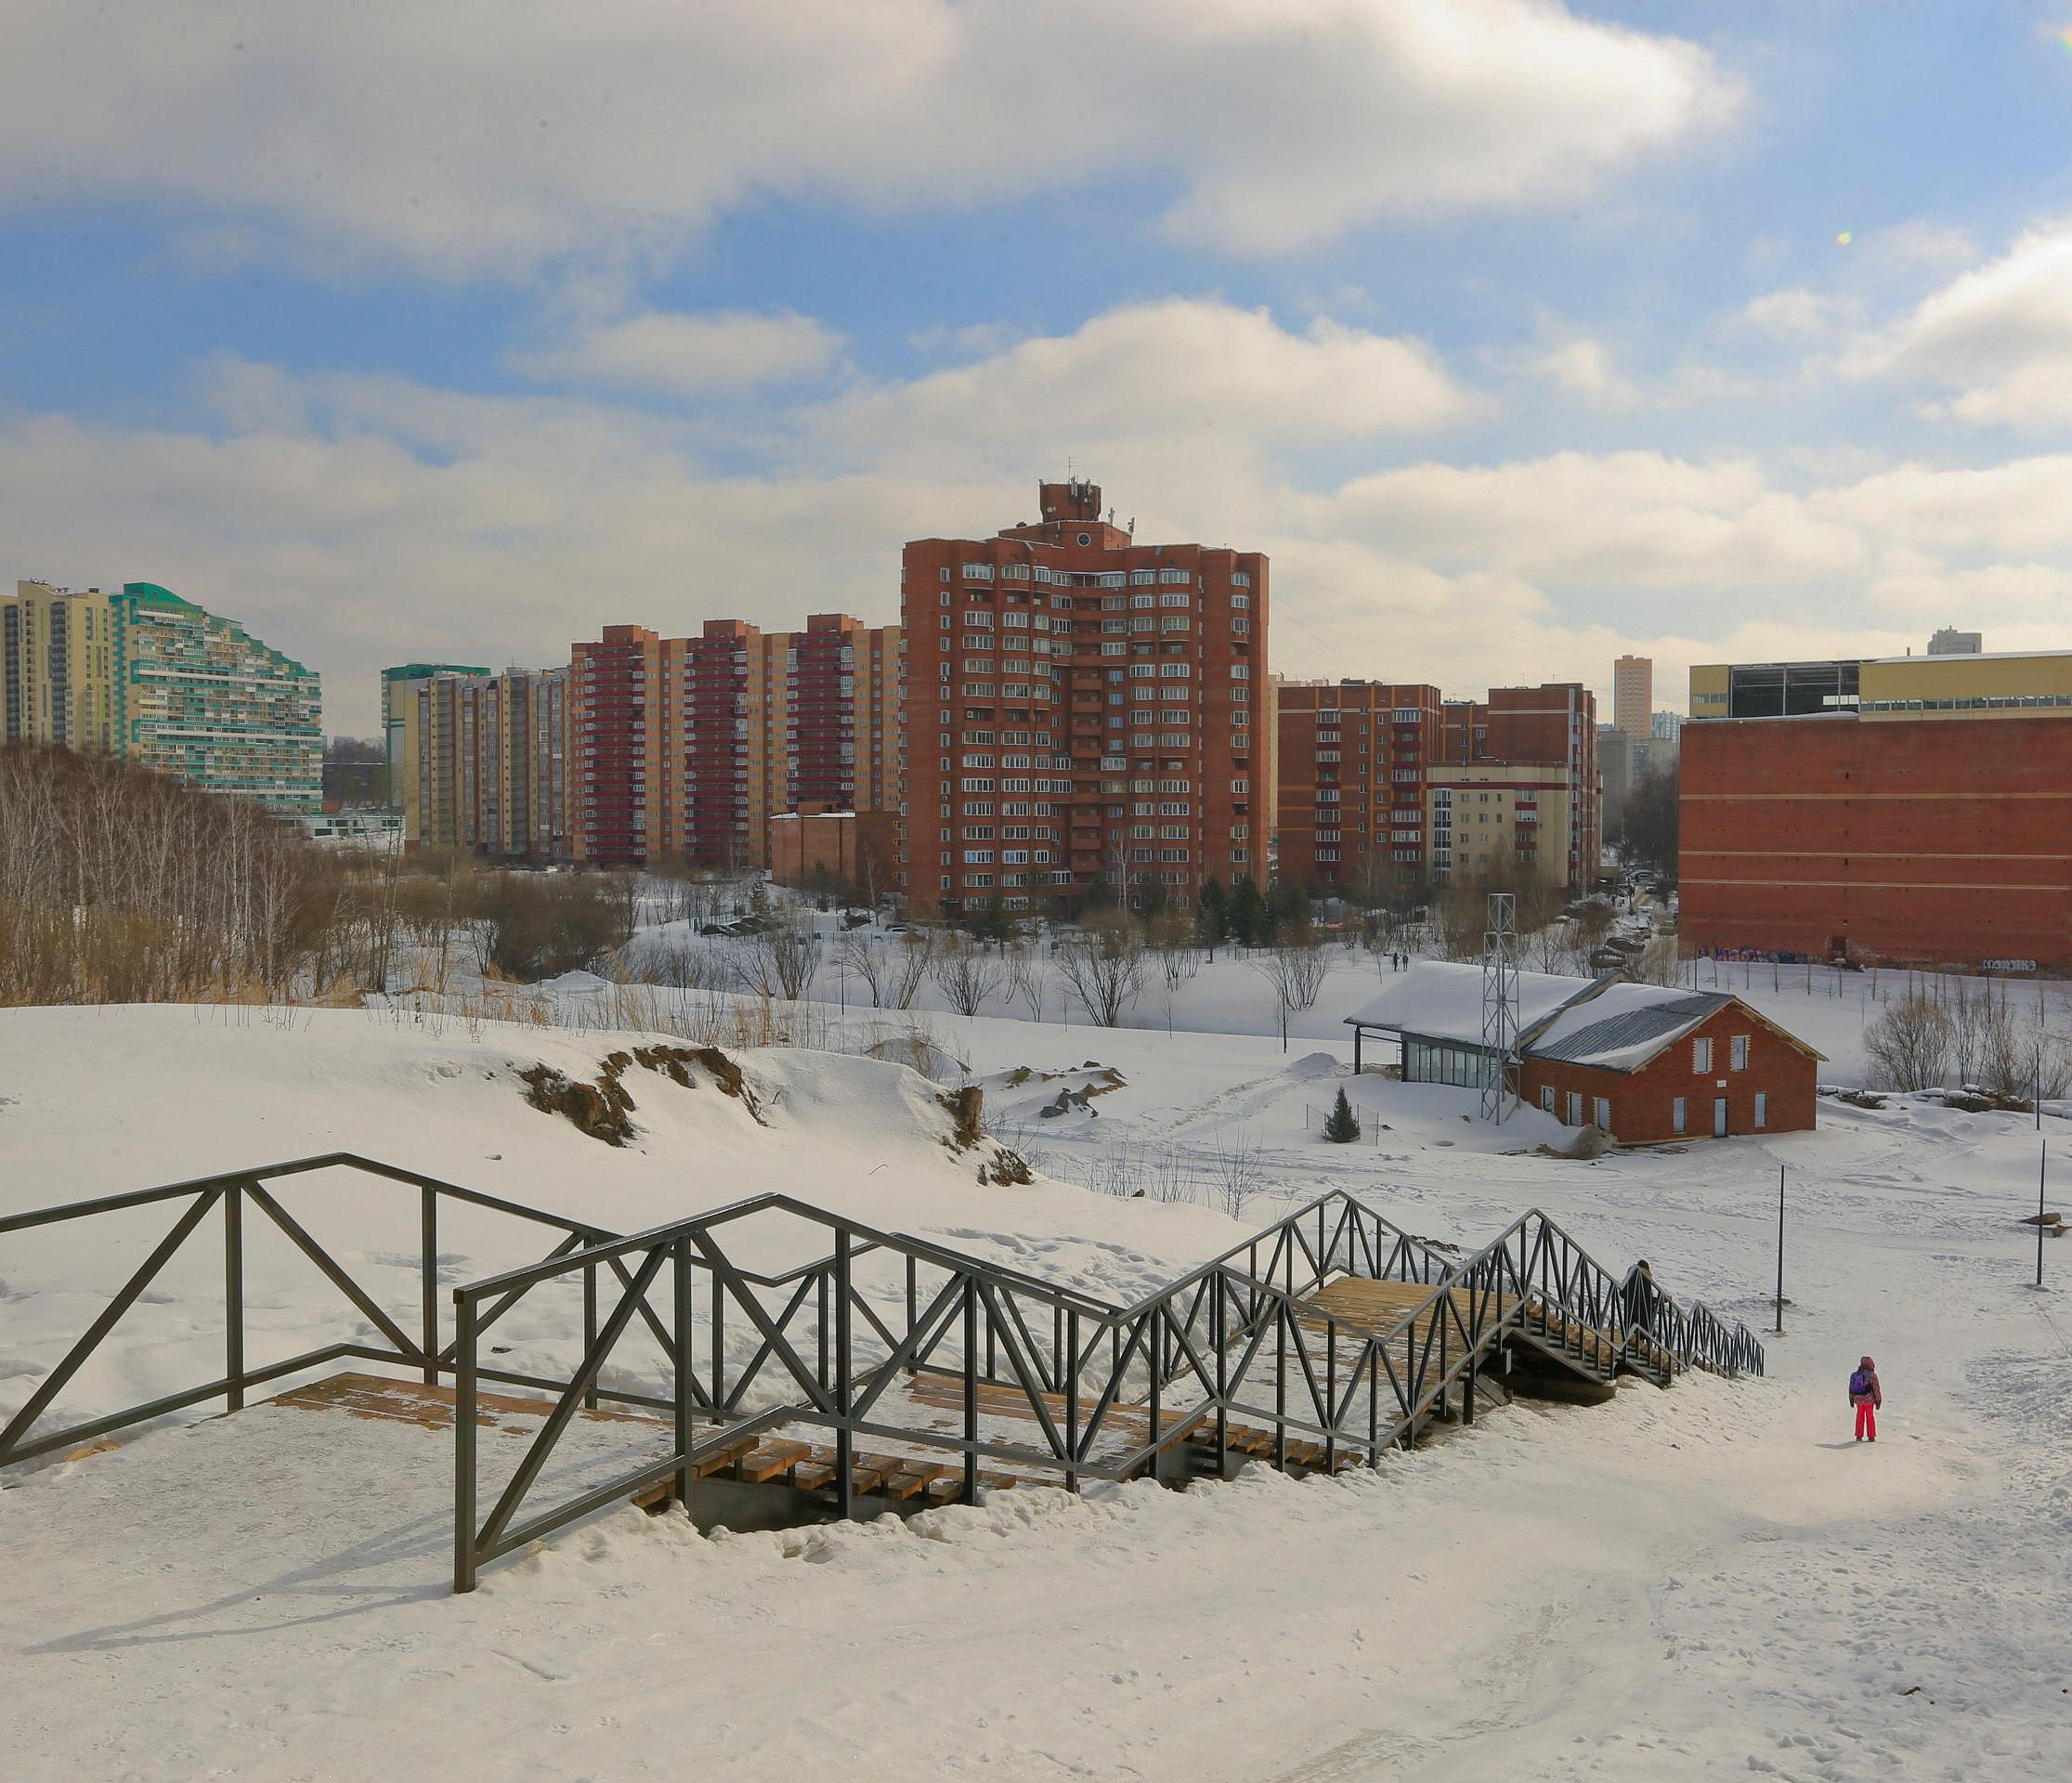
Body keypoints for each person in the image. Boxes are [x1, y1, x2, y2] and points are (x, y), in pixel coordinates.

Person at [1849, 1355, 1883, 1441]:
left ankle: (1859, 1436)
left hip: (1858, 1400)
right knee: (1870, 1417)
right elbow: (1876, 1388)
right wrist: (1878, 1400)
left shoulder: (1855, 1374)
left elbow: (1851, 1388)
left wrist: (1851, 1399)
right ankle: (1871, 1436)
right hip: (1869, 1400)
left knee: (1859, 1416)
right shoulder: (1872, 1375)